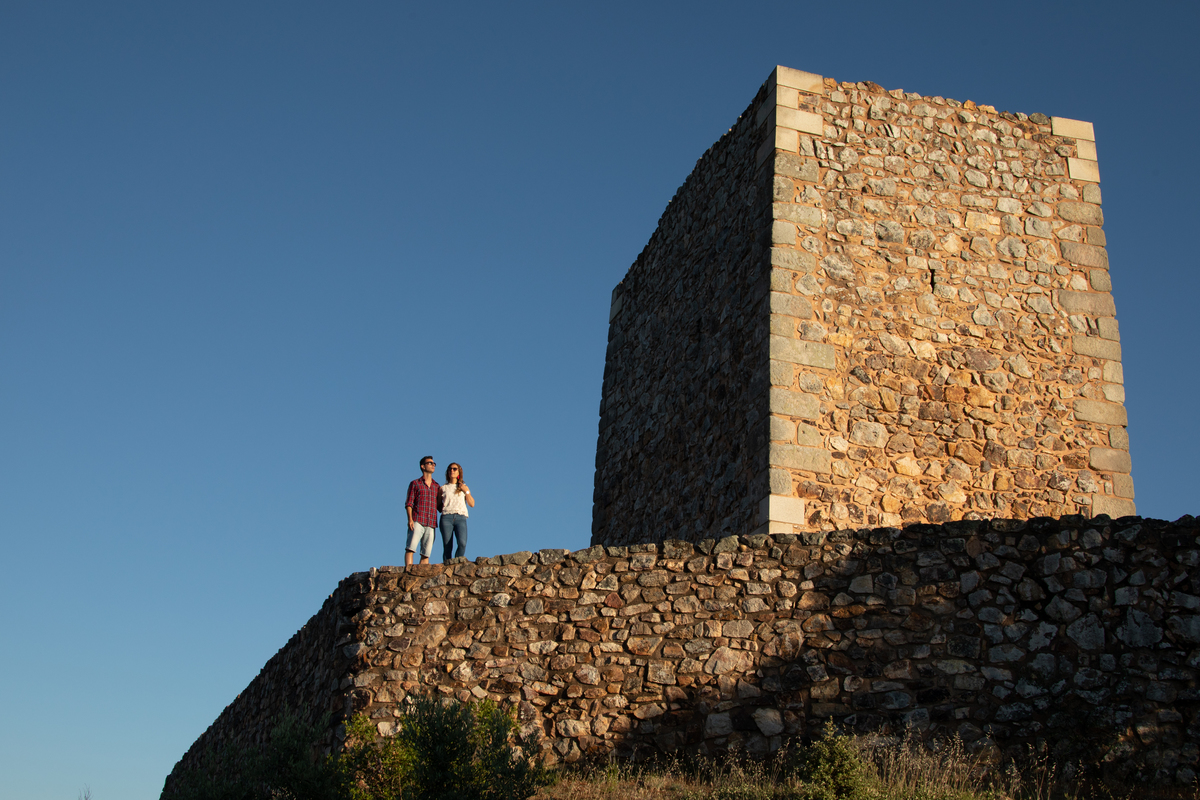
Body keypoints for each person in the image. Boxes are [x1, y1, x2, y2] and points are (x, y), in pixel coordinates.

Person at [404, 456, 439, 566]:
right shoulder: (415, 483)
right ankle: (408, 571)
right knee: (411, 548)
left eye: (434, 463)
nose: (433, 465)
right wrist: (410, 519)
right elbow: (409, 503)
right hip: (417, 520)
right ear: (422, 466)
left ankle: (421, 574)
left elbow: (440, 505)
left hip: (431, 523)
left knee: (426, 553)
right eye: (430, 463)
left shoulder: (436, 486)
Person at [438, 462, 475, 562]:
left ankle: (457, 564)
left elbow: (472, 504)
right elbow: (438, 505)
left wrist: (466, 491)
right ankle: (447, 566)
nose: (452, 471)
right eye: (450, 469)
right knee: (447, 546)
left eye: (454, 469)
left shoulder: (464, 487)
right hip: (446, 517)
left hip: (460, 518)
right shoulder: (443, 488)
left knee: (462, 543)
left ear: (459, 472)